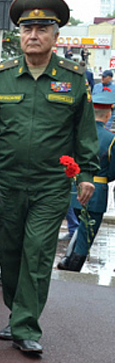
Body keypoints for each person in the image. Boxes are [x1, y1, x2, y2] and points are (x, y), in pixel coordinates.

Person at [0, 0, 98, 355]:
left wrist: (87, 175)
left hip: (51, 183)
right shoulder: (0, 77)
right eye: (27, 28)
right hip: (7, 180)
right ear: (18, 34)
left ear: (55, 36)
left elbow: (84, 132)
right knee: (11, 252)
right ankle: (17, 311)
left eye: (42, 29)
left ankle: (26, 324)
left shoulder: (74, 79)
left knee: (38, 251)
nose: (33, 35)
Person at [57, 89, 115, 271]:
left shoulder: (77, 134)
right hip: (97, 188)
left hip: (74, 186)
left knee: (81, 226)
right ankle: (73, 266)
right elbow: (112, 171)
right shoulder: (111, 138)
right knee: (87, 232)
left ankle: (68, 259)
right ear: (108, 114)